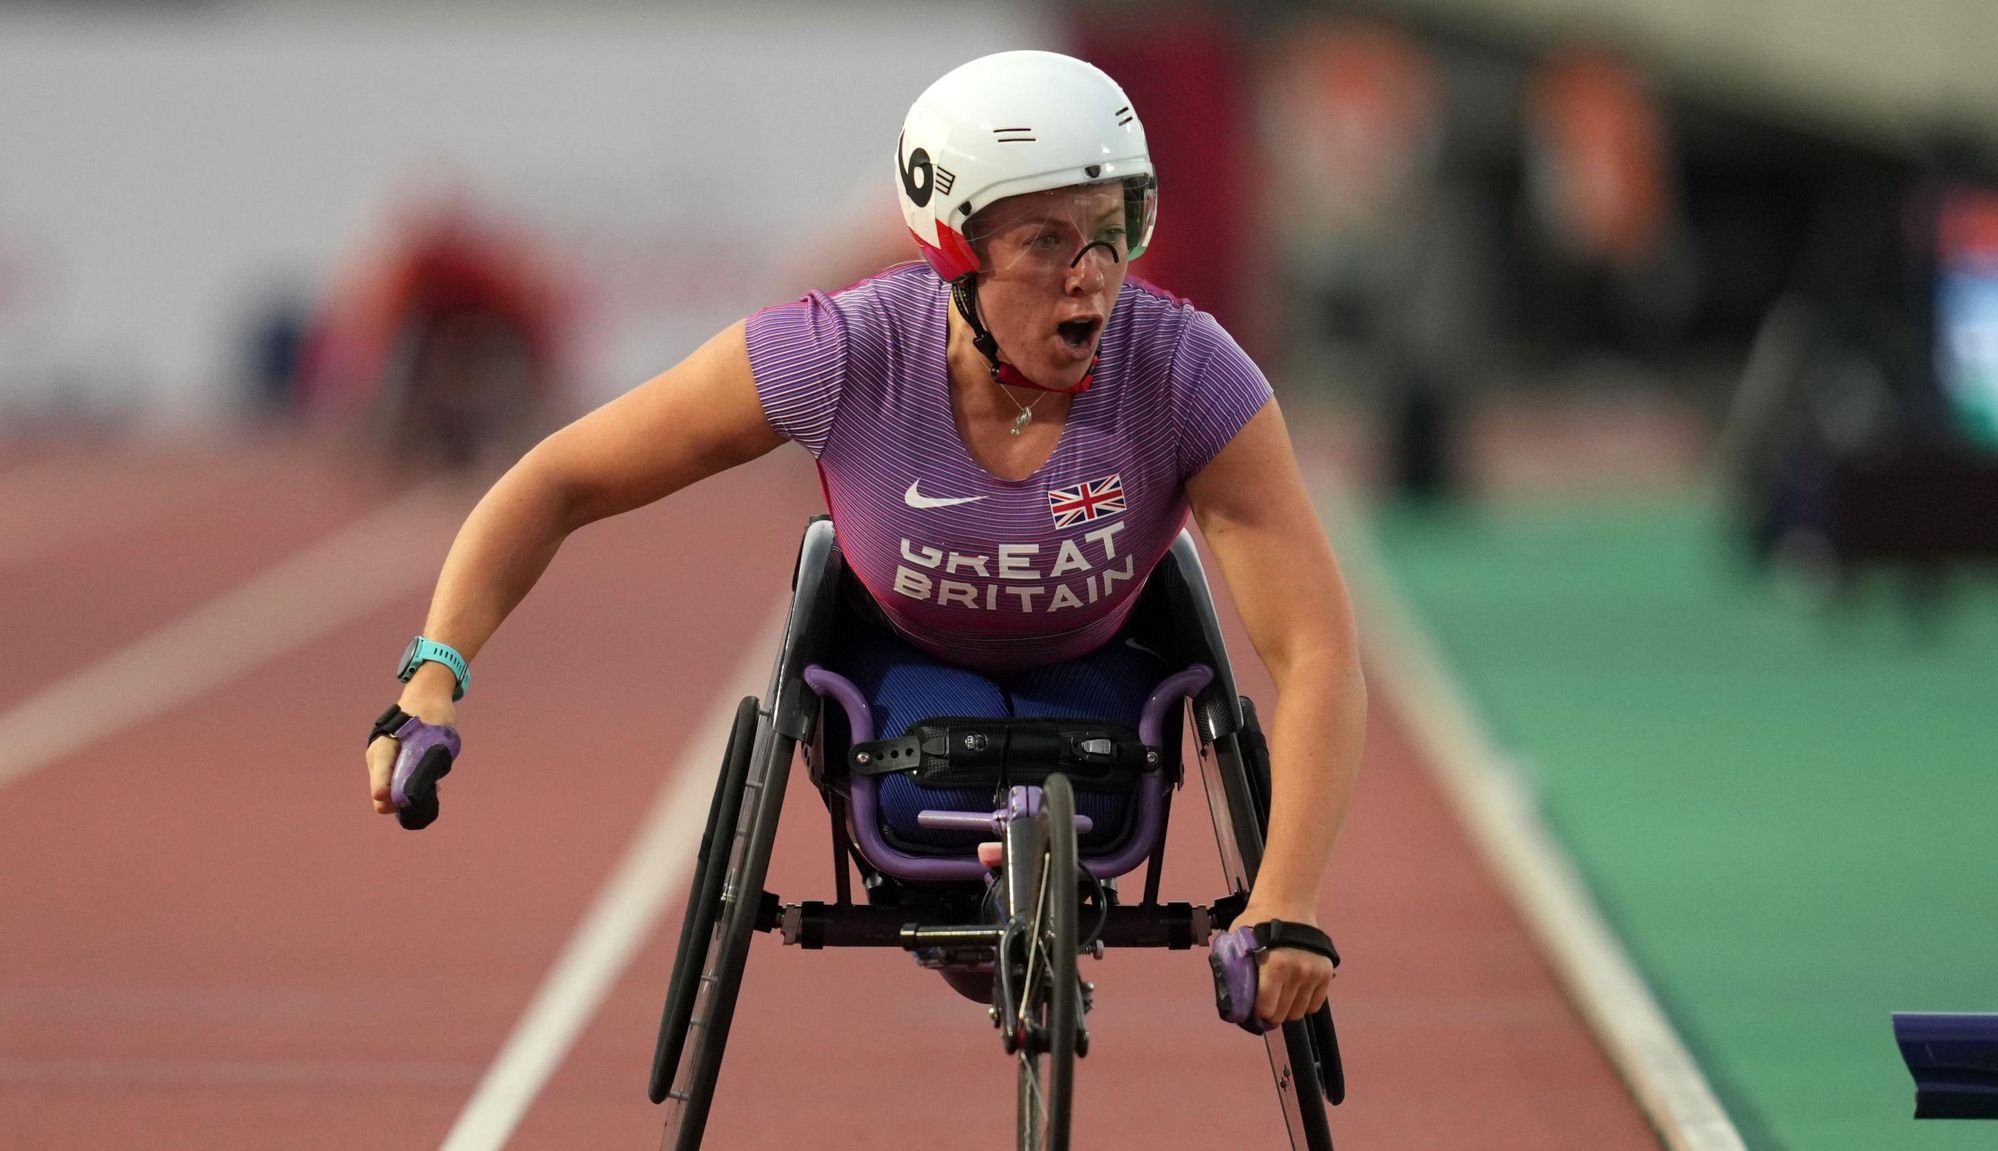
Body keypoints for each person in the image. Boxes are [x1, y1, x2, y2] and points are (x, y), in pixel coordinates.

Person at [363, 50, 1366, 1028]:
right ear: (953, 248)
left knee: (1092, 814)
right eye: (1047, 242)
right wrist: (431, 673)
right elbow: (559, 477)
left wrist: (1286, 895)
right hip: (902, 661)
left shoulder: (1189, 373)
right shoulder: (840, 353)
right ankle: (980, 926)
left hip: (1100, 665)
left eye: (1113, 233)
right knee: (926, 806)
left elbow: (1315, 647)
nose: (1089, 279)